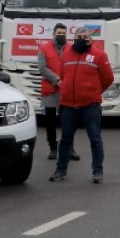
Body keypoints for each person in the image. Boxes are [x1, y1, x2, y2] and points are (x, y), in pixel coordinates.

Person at [50, 26, 114, 183]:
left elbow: (108, 78)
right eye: (79, 36)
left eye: (86, 36)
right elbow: (62, 76)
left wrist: (94, 91)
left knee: (95, 139)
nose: (82, 39)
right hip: (68, 106)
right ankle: (61, 170)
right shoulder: (66, 54)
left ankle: (97, 171)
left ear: (90, 39)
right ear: (74, 38)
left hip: (90, 105)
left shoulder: (99, 55)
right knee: (65, 140)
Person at [37, 23, 79, 161]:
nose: (61, 35)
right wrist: (56, 79)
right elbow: (42, 68)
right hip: (50, 89)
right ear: (53, 34)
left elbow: (74, 66)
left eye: (63, 33)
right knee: (50, 121)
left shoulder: (72, 49)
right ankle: (53, 148)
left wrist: (66, 82)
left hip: (67, 89)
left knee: (68, 121)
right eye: (59, 33)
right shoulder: (44, 49)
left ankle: (69, 148)